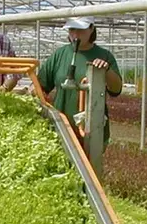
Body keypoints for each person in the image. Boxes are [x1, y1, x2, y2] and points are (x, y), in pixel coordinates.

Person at [37, 17, 123, 146]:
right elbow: (40, 85)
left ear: (91, 29)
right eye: (72, 30)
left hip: (91, 127)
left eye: (81, 30)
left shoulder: (104, 55)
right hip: (62, 125)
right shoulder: (60, 54)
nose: (75, 35)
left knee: (89, 163)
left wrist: (106, 70)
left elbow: (116, 89)